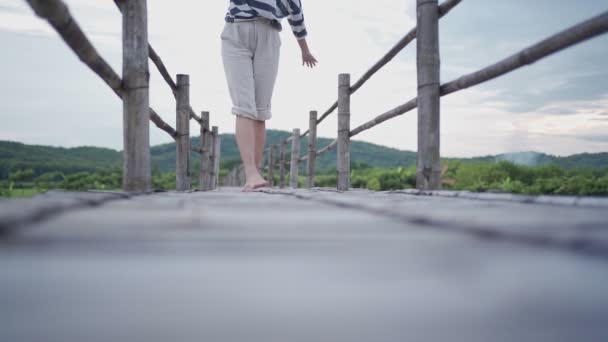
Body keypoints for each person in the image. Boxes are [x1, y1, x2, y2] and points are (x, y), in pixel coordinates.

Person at [221, 0, 318, 192]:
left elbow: (296, 15)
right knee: (244, 104)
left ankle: (254, 174)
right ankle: (250, 173)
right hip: (237, 30)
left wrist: (304, 50)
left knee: (261, 109)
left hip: (269, 35)